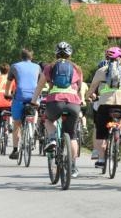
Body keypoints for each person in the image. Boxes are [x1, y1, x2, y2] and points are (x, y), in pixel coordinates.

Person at [31, 42, 83, 177]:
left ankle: (53, 138)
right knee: (72, 136)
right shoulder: (77, 68)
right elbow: (80, 89)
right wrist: (81, 100)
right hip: (73, 103)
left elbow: (39, 86)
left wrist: (33, 101)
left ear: (56, 54)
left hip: (55, 102)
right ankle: (73, 167)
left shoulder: (50, 67)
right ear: (70, 55)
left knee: (47, 120)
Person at [86, 47, 121, 168]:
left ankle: (101, 160)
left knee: (101, 133)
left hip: (105, 104)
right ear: (120, 58)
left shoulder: (101, 70)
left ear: (107, 58)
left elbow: (92, 88)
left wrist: (87, 97)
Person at [6, 49, 42, 159]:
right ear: (31, 57)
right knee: (34, 109)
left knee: (16, 124)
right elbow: (40, 82)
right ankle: (34, 127)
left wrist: (7, 94)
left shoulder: (14, 66)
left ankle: (15, 150)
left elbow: (9, 83)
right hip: (33, 96)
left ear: (21, 57)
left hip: (20, 96)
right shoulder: (37, 67)